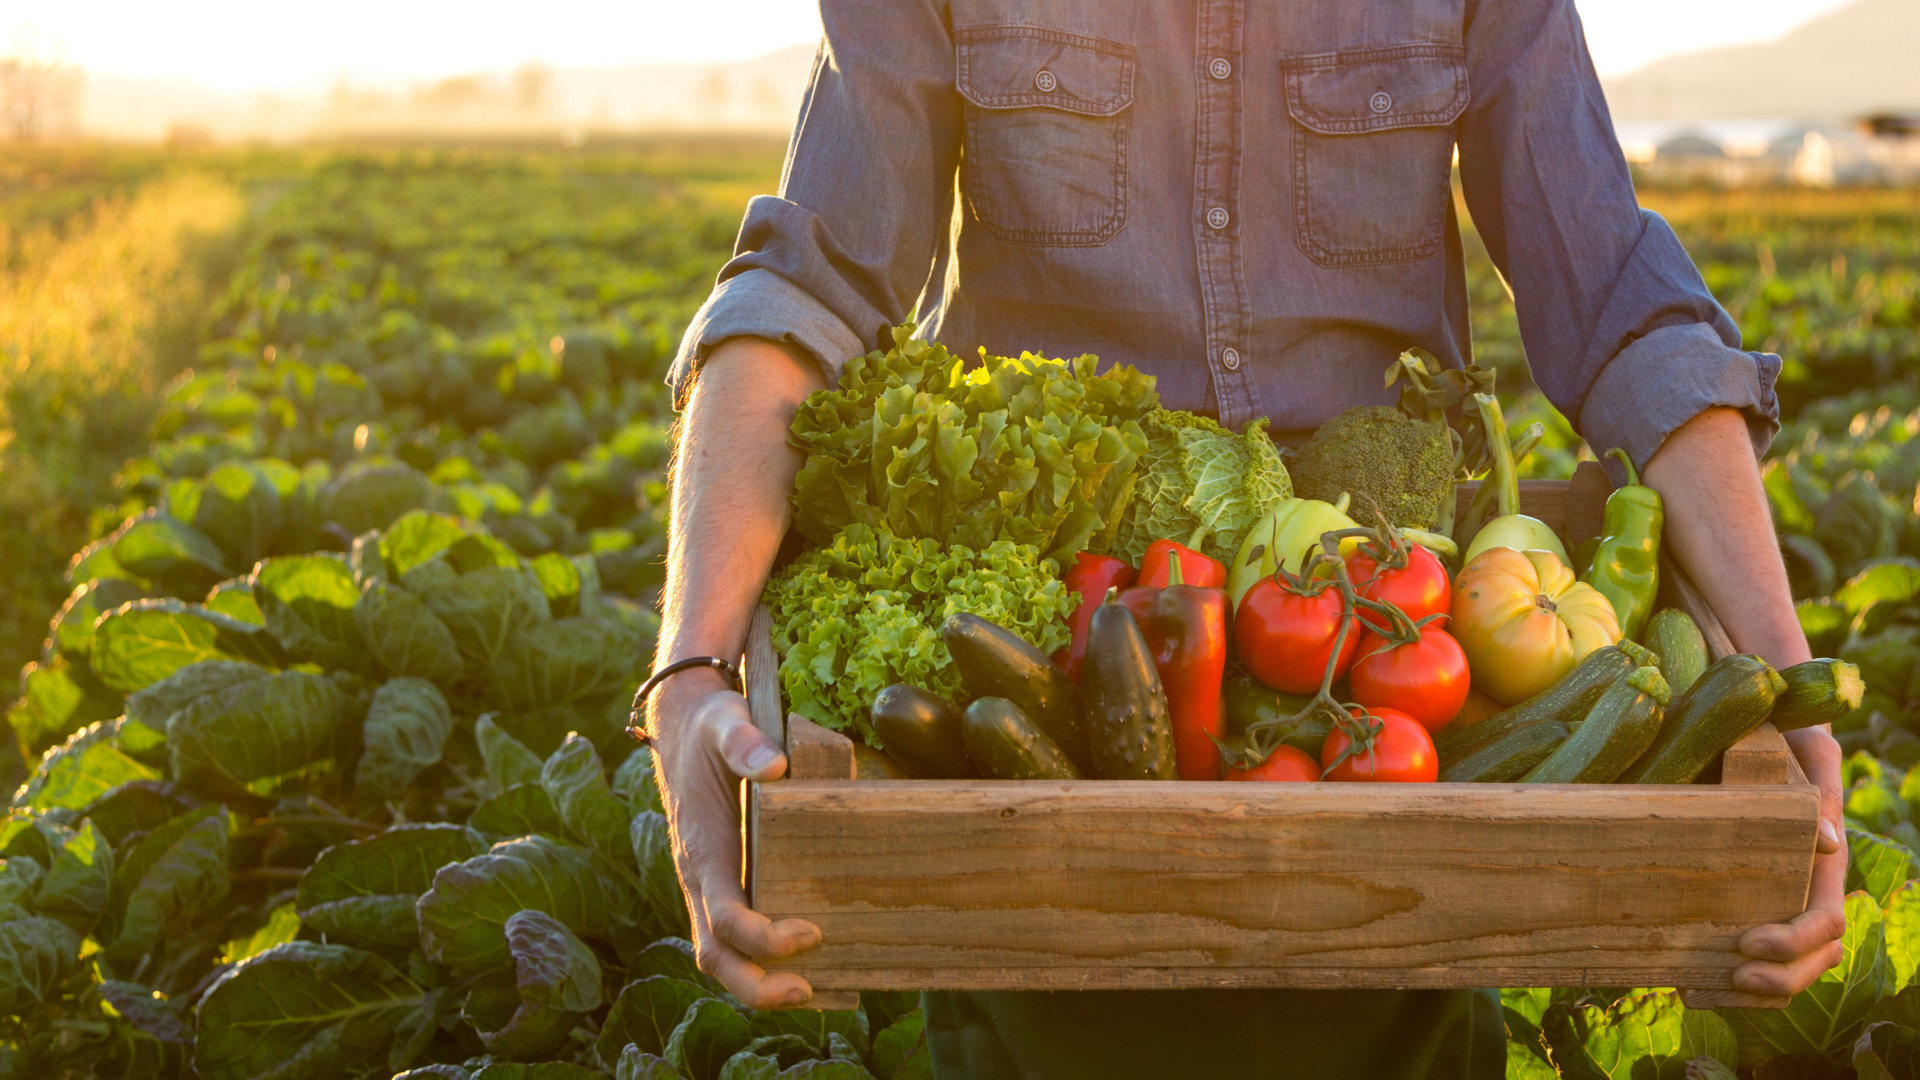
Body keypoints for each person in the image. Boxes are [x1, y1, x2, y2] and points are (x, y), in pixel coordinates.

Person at [640, 1, 1847, 1076]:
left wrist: (1786, 693)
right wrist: (690, 669)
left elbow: (1623, 307)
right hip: (1060, 674)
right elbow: (804, 290)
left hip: (1388, 661)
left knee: (1397, 1022)